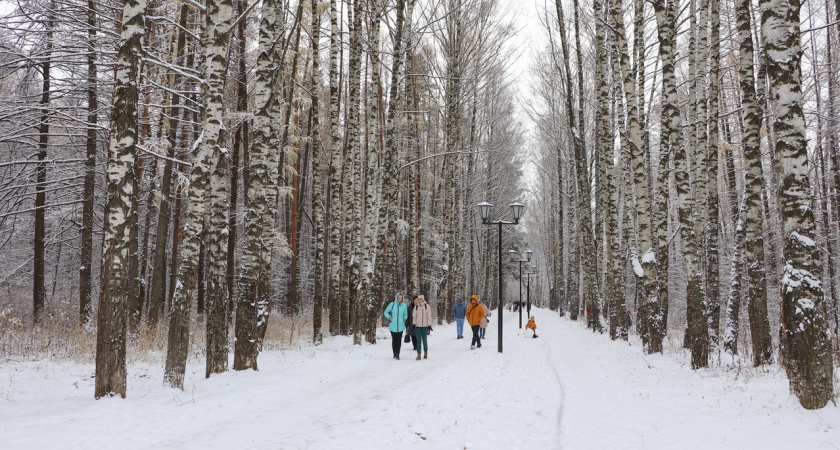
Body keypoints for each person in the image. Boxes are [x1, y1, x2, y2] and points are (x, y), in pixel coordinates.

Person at [383, 292, 408, 359]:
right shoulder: (392, 304)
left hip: (400, 326)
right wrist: (390, 317)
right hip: (392, 326)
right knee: (394, 340)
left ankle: (398, 354)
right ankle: (394, 353)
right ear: (396, 298)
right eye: (399, 298)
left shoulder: (404, 306)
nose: (400, 299)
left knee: (399, 341)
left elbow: (406, 315)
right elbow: (385, 312)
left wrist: (403, 319)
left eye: (401, 298)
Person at [413, 295, 433, 360]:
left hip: (425, 326)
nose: (419, 300)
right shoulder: (416, 307)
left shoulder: (427, 306)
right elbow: (414, 316)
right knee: (418, 341)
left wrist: (429, 325)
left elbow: (429, 316)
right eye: (418, 299)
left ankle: (425, 353)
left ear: (423, 299)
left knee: (424, 340)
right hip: (418, 326)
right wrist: (414, 323)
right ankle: (418, 355)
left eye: (421, 299)